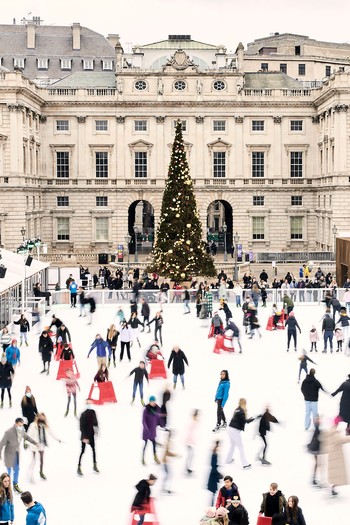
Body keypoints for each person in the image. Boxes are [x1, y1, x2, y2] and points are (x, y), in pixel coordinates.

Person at [0, 418, 38, 493]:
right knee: (9, 471)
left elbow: (27, 437)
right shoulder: (8, 432)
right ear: (16, 423)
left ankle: (15, 485)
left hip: (16, 453)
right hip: (9, 454)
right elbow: (1, 444)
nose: (21, 426)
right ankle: (6, 487)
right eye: (20, 425)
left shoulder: (22, 431)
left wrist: (35, 443)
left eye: (22, 425)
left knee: (17, 469)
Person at [27, 412, 61, 481]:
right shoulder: (33, 425)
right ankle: (31, 475)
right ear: (37, 417)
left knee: (41, 460)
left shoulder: (45, 425)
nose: (42, 418)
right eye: (40, 417)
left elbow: (51, 433)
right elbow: (28, 434)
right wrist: (26, 442)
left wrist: (57, 439)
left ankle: (41, 472)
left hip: (41, 445)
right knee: (34, 460)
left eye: (43, 417)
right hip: (34, 445)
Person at [226, 398, 254, 468]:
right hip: (234, 431)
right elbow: (245, 421)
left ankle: (228, 459)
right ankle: (245, 464)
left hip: (230, 429)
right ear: (244, 403)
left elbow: (242, 420)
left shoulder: (237, 409)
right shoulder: (241, 411)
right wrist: (253, 418)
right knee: (240, 447)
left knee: (232, 445)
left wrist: (249, 419)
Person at [77, 398, 99, 476]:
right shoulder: (83, 414)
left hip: (91, 434)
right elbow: (81, 427)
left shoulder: (93, 412)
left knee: (93, 450)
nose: (89, 404)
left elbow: (96, 423)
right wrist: (84, 437)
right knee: (82, 451)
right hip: (85, 436)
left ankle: (95, 465)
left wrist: (96, 432)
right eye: (88, 403)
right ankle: (79, 467)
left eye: (90, 403)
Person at [141, 395, 163, 465]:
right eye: (151, 401)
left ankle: (155, 457)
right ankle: (143, 458)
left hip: (153, 430)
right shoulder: (146, 410)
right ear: (149, 402)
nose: (153, 403)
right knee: (145, 444)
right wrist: (146, 428)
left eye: (153, 401)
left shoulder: (157, 409)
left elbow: (159, 417)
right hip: (147, 431)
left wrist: (162, 424)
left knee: (154, 444)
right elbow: (143, 420)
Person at [307, 415, 323, 486]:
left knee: (317, 464)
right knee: (317, 464)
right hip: (315, 449)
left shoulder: (317, 428)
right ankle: (314, 479)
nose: (319, 420)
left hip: (315, 448)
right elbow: (317, 438)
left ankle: (314, 478)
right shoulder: (317, 428)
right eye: (317, 419)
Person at [207, 440, 223, 506]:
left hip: (213, 474)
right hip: (213, 476)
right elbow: (213, 466)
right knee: (213, 492)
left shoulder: (214, 454)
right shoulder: (214, 454)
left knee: (214, 493)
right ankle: (212, 505)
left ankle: (213, 505)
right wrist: (219, 474)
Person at [185, 409, 200, 475]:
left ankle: (188, 468)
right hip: (188, 442)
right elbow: (189, 433)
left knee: (191, 455)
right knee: (190, 455)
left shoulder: (194, 422)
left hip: (190, 442)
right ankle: (187, 468)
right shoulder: (192, 422)